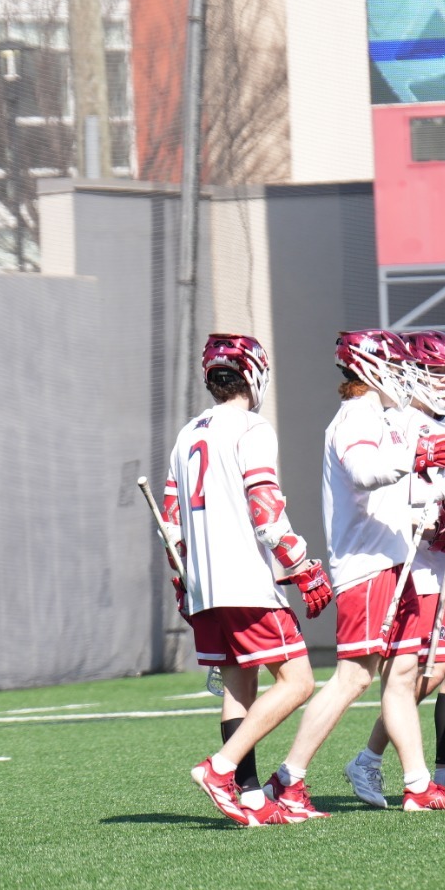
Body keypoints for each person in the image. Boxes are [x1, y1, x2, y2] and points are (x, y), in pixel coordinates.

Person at [261, 331, 445, 815]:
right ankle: (288, 779)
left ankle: (418, 787)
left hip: (392, 561)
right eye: (396, 365)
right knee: (352, 679)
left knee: (402, 677)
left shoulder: (378, 416)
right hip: (367, 565)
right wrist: (417, 459)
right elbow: (364, 472)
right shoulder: (356, 414)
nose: (404, 375)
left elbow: (397, 493)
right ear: (372, 367)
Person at [165, 334, 333, 826]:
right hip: (244, 579)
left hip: (204, 584)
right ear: (254, 374)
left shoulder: (186, 434)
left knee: (239, 685)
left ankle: (253, 798)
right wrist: (301, 564)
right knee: (299, 681)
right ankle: (220, 769)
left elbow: (171, 522)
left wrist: (182, 576)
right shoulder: (252, 428)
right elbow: (265, 509)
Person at [349, 331, 445, 806]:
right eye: (436, 374)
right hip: (418, 565)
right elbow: (395, 499)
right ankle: (370, 759)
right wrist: (430, 524)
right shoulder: (401, 423)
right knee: (417, 672)